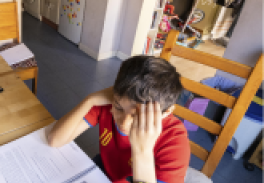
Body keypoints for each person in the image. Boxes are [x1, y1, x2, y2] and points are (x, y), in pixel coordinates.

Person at [47, 56, 190, 183]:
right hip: (104, 168)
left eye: (136, 116)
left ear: (166, 112)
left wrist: (142, 150)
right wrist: (90, 100)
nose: (123, 122)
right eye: (119, 108)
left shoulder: (175, 141)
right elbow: (55, 140)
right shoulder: (111, 103)